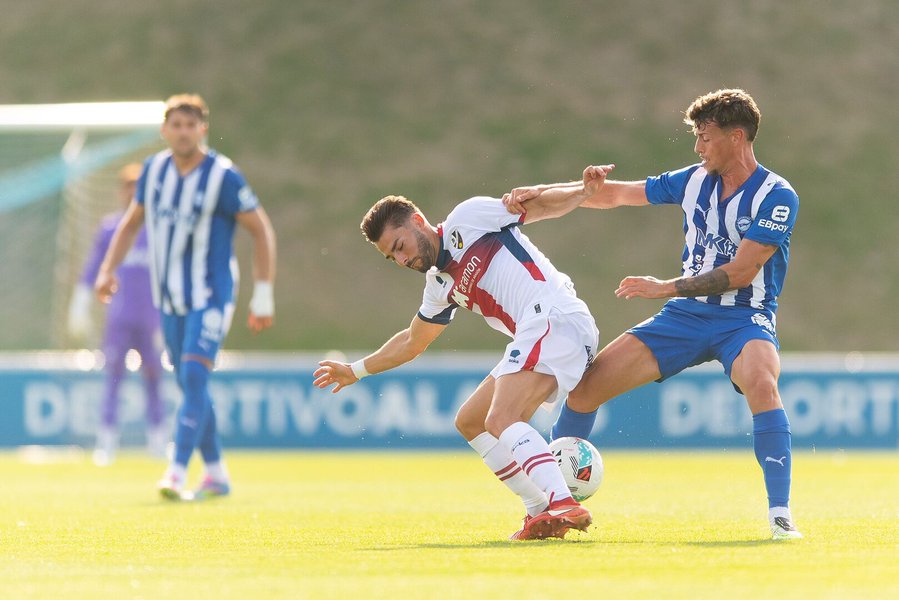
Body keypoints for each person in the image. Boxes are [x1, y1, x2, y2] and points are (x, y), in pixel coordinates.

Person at [503, 88, 802, 540]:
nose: (698, 148)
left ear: (736, 137)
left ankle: (780, 514)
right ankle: (554, 505)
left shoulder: (777, 196)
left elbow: (742, 272)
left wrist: (665, 287)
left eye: (705, 137)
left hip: (745, 316)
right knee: (584, 392)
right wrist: (546, 194)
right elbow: (617, 195)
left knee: (762, 382)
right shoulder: (694, 179)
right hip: (684, 317)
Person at [313, 179, 615, 540]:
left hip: (554, 316)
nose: (402, 259)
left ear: (418, 220)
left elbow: (536, 206)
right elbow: (412, 341)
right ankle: (541, 513)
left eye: (399, 246)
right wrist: (355, 370)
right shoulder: (438, 285)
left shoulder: (467, 219)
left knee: (501, 417)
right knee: (471, 421)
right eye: (391, 257)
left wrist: (581, 192)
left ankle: (562, 502)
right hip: (539, 331)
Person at [94, 94, 277, 501]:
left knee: (193, 377)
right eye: (175, 125)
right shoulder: (153, 171)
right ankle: (216, 473)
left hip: (211, 295)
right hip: (169, 298)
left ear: (203, 130)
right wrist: (108, 270)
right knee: (191, 382)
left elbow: (261, 230)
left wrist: (263, 293)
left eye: (190, 125)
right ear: (164, 131)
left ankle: (176, 471)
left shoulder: (224, 177)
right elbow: (131, 223)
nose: (182, 132)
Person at [68, 163, 166, 466]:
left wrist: (170, 317)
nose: (132, 191)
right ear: (120, 190)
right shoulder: (110, 228)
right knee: (113, 378)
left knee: (154, 378)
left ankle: (159, 440)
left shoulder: (159, 229)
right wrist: (81, 301)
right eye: (128, 186)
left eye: (138, 186)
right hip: (119, 319)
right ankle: (107, 441)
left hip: (151, 319)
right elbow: (93, 266)